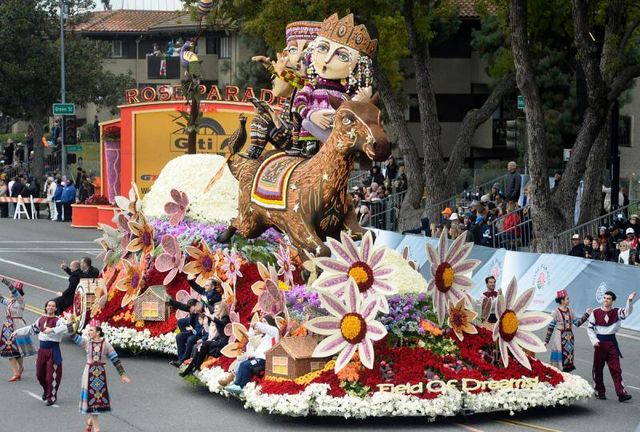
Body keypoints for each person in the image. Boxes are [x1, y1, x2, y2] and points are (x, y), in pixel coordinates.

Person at [65, 317, 131, 432]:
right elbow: (72, 336)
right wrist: (69, 323)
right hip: (89, 373)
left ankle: (90, 422)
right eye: (89, 330)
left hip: (100, 374)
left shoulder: (106, 345)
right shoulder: (86, 343)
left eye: (91, 330)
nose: (89, 332)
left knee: (97, 399)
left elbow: (115, 359)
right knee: (92, 399)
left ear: (98, 332)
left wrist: (123, 375)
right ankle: (97, 429)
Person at [13, 300, 68, 405]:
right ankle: (47, 390)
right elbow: (31, 329)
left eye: (53, 306)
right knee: (39, 374)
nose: (50, 307)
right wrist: (17, 332)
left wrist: (52, 330)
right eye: (49, 305)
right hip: (42, 350)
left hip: (53, 349)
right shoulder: (41, 319)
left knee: (51, 375)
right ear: (46, 307)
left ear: (56, 309)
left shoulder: (59, 320)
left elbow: (67, 328)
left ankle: (51, 396)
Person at [587, 290, 636, 401]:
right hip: (599, 343)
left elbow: (627, 312)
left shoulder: (617, 312)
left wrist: (629, 300)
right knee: (598, 368)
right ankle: (599, 391)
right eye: (604, 298)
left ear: (612, 301)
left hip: (611, 342)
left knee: (616, 369)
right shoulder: (596, 312)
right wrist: (594, 341)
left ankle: (621, 393)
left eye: (608, 298)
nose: (605, 300)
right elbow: (589, 328)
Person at [224, 315, 280, 394]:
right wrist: (251, 328)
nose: (263, 324)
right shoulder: (264, 337)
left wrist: (256, 324)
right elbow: (258, 349)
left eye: (265, 321)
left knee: (246, 365)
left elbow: (266, 328)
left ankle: (241, 386)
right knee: (243, 364)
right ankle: (237, 385)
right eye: (262, 322)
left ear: (270, 322)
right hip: (259, 358)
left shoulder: (275, 332)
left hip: (266, 360)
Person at [544, 290, 590, 372]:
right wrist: (546, 341)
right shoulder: (555, 312)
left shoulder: (571, 311)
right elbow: (550, 327)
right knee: (560, 357)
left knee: (568, 357)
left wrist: (586, 314)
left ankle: (566, 375)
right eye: (567, 299)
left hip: (569, 338)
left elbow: (577, 323)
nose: (569, 300)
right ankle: (558, 373)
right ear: (562, 300)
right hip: (559, 337)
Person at [180, 302, 231, 377]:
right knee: (200, 349)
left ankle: (194, 368)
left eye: (217, 309)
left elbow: (221, 323)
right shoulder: (219, 317)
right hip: (218, 340)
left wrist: (210, 315)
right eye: (215, 308)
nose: (215, 310)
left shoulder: (225, 317)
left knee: (204, 344)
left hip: (223, 343)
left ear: (222, 309)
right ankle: (191, 368)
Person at [0, 278, 35, 381]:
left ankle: (20, 368)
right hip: (8, 327)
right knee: (8, 349)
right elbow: (1, 299)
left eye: (12, 291)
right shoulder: (10, 302)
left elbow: (13, 290)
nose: (10, 292)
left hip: (18, 325)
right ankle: (16, 373)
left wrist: (4, 281)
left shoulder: (20, 301)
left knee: (18, 350)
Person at [166, 297, 209, 366]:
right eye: (193, 311)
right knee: (179, 336)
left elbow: (206, 328)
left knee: (190, 339)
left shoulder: (206, 309)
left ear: (197, 304)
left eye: (195, 310)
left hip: (202, 332)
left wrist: (194, 331)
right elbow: (181, 306)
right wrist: (169, 300)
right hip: (195, 329)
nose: (195, 312)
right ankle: (180, 359)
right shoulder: (193, 309)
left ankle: (182, 361)